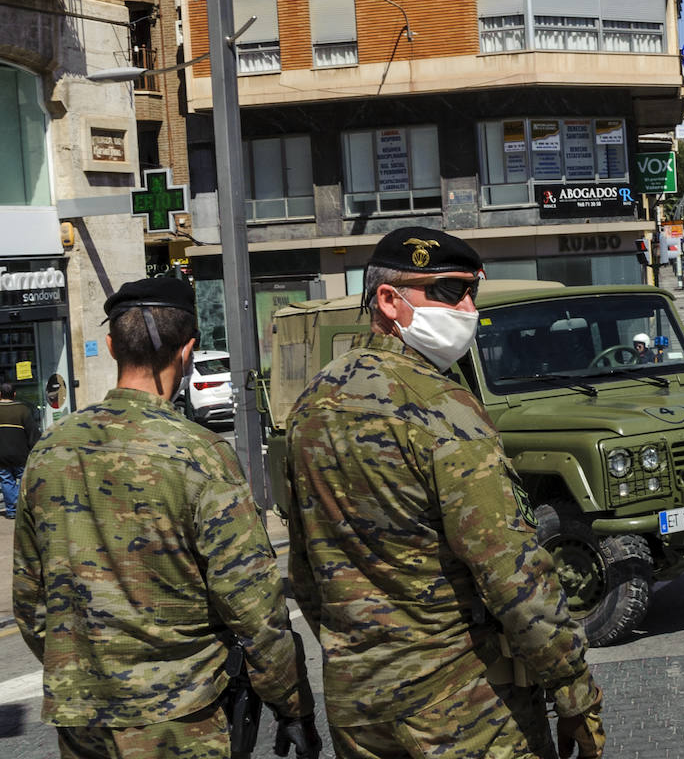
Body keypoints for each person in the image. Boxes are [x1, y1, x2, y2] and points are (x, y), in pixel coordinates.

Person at [285, 226, 605, 759]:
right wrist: (574, 691)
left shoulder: (312, 402)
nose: (468, 309)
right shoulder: (442, 408)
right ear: (389, 300)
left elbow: (305, 570)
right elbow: (512, 572)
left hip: (358, 707)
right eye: (449, 291)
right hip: (462, 708)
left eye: (471, 291)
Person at [12, 274, 318, 758]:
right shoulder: (199, 453)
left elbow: (31, 600)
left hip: (83, 717)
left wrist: (80, 671)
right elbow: (254, 606)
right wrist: (292, 705)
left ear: (111, 346)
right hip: (180, 716)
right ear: (188, 350)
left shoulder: (50, 450)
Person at [0, 380, 38, 519]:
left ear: (0, 394)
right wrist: (35, 449)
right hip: (21, 453)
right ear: (14, 394)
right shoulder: (23, 409)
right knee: (24, 480)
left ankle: (11, 510)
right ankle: (23, 508)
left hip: (2, 455)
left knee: (6, 481)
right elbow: (32, 432)